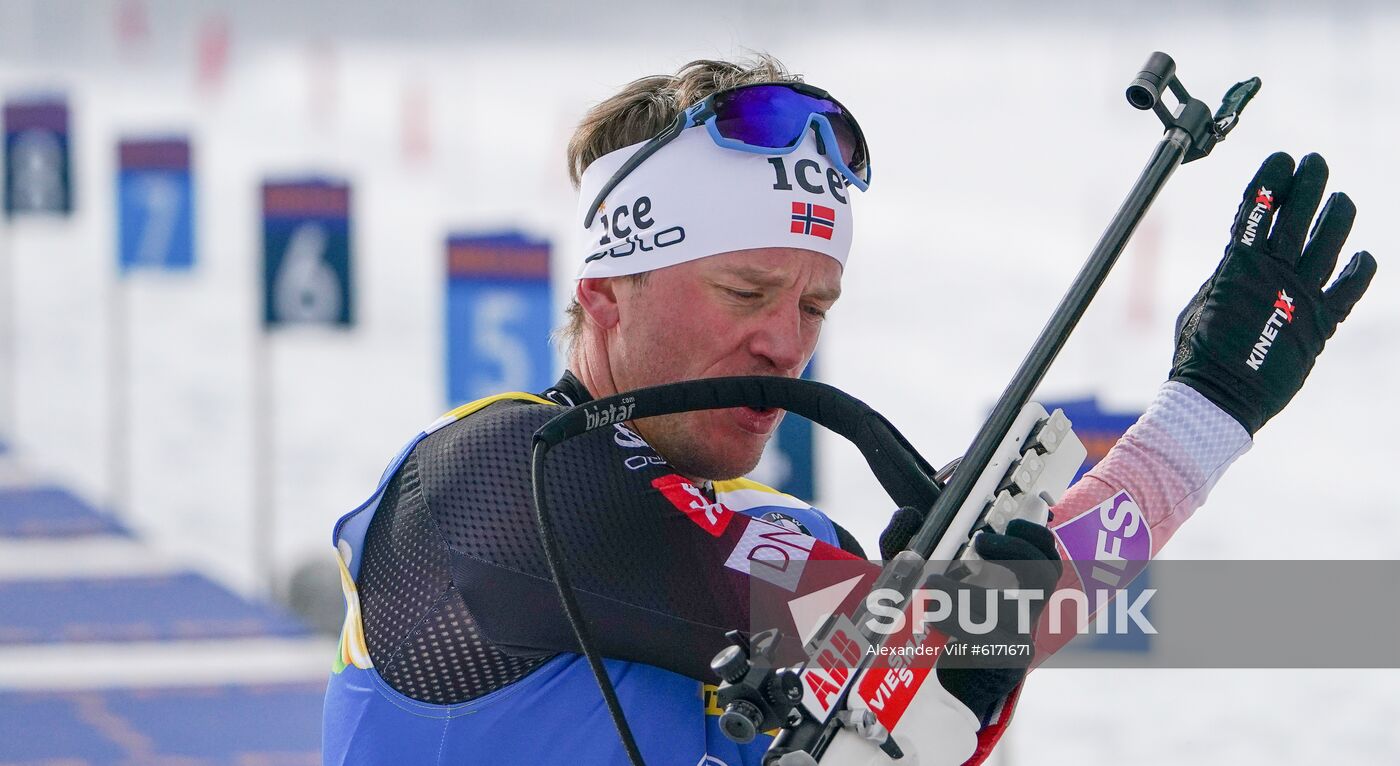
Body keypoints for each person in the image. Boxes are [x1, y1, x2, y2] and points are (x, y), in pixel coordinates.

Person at [321, 55, 1375, 766]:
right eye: (744, 293)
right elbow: (923, 633)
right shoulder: (498, 481)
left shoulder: (771, 541)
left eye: (813, 302)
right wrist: (946, 614)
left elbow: (992, 622)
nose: (785, 342)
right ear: (605, 292)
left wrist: (1202, 416)